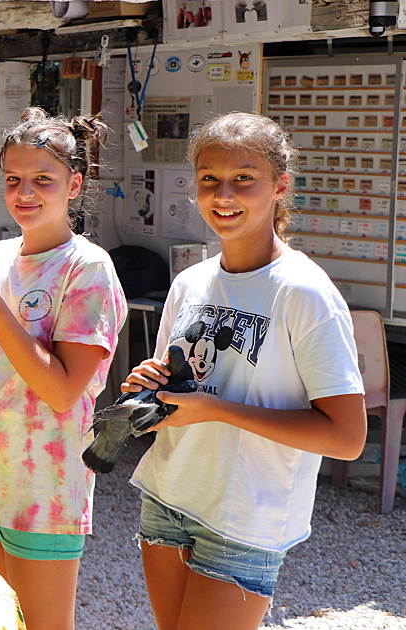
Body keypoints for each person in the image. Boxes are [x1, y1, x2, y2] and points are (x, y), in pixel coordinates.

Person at [124, 112, 366, 630]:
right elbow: (185, 386)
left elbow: (346, 437)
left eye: (243, 179)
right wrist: (151, 388)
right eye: (210, 178)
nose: (224, 193)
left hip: (245, 517)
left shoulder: (305, 292)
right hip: (168, 495)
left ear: (280, 186)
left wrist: (213, 410)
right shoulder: (189, 282)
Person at [0, 107, 126, 630]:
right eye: (13, 179)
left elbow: (62, 391)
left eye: (43, 180)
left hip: (47, 487)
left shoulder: (88, 267)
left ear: (75, 184)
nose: (25, 192)